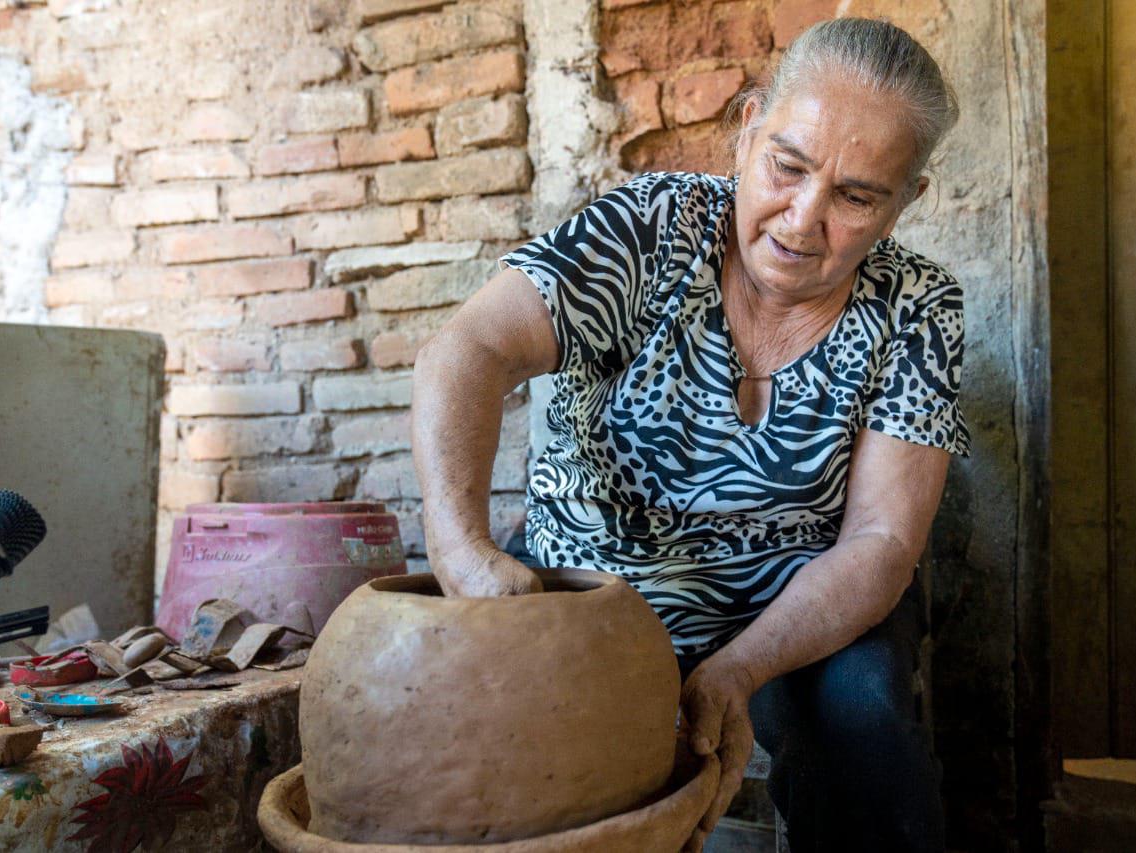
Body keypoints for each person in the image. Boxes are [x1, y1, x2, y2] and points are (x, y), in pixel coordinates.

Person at [411, 17, 967, 853]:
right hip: (597, 582)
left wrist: (737, 669)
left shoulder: (918, 306)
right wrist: (459, 553)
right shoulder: (648, 231)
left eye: (857, 197)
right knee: (501, 770)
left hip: (794, 606)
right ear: (747, 131)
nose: (804, 218)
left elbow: (883, 541)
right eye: (788, 166)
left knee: (866, 720)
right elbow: (469, 349)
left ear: (905, 203)